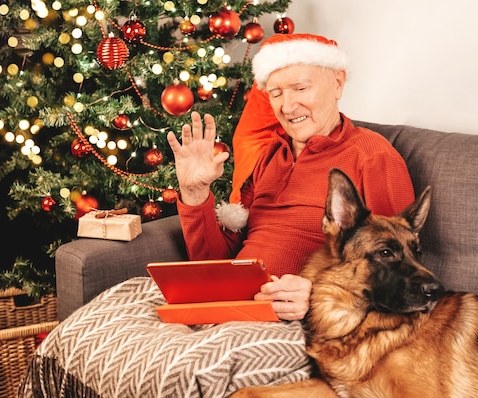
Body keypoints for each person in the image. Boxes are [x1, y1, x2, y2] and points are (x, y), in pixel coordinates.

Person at [166, 33, 415, 321]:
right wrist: (195, 194)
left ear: (337, 82)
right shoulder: (269, 156)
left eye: (300, 88)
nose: (287, 106)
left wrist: (316, 294)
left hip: (304, 320)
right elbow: (214, 265)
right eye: (276, 93)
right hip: (233, 306)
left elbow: (401, 270)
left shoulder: (371, 155)